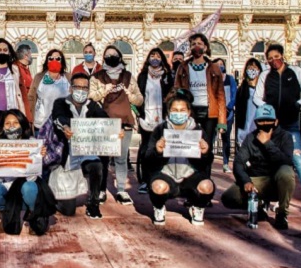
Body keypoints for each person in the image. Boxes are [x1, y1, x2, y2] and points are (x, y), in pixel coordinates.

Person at [253, 43, 301, 214]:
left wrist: (296, 105)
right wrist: (268, 112)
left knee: (298, 160)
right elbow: (257, 98)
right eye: (270, 58)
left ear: (282, 55)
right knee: (269, 160)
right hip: (271, 125)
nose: (274, 61)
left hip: (290, 124)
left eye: (276, 57)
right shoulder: (265, 75)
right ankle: (266, 199)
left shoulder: (296, 71)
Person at [143, 91, 214, 226]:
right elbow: (147, 159)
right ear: (169, 112)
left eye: (182, 110)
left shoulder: (198, 130)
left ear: (188, 112)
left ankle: (198, 206)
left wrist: (205, 153)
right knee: (158, 186)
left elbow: (207, 162)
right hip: (166, 175)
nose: (178, 113)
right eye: (175, 110)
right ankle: (159, 207)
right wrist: (158, 151)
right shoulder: (159, 130)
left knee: (207, 186)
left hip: (190, 175)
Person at [222, 104, 295, 230]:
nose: (265, 123)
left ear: (276, 122)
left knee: (287, 173)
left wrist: (267, 143)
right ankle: (259, 206)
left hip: (277, 181)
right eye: (261, 121)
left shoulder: (285, 137)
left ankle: (282, 214)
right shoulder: (250, 138)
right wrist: (246, 181)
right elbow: (238, 163)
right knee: (228, 198)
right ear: (256, 122)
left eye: (268, 120)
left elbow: (286, 161)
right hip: (258, 179)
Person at [0, 109, 55, 235]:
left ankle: (34, 215)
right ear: (3, 127)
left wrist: (38, 158)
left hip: (27, 189)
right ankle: (6, 214)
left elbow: (33, 179)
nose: (11, 126)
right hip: (8, 190)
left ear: (22, 124)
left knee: (29, 187)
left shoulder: (33, 143)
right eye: (7, 123)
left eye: (15, 123)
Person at [89, 45, 143, 205]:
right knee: (103, 158)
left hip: (125, 122)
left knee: (121, 158)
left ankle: (121, 190)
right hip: (104, 123)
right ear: (103, 58)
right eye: (108, 55)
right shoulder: (97, 77)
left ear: (120, 57)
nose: (111, 56)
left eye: (114, 54)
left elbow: (140, 99)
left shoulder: (128, 76)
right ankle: (101, 189)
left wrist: (130, 95)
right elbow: (91, 96)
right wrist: (104, 91)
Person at [49, 73, 108, 218]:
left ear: (88, 90)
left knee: (97, 166)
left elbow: (106, 120)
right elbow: (58, 117)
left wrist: (115, 131)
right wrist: (65, 127)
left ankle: (93, 204)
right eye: (77, 87)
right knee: (69, 211)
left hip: (86, 152)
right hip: (67, 155)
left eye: (84, 88)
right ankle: (55, 199)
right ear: (70, 88)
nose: (80, 91)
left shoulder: (93, 105)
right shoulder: (60, 103)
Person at [172, 34, 226, 177]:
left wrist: (222, 122)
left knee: (206, 149)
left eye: (200, 44)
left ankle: (205, 182)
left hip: (210, 112)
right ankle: (191, 185)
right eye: (193, 43)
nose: (197, 46)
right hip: (191, 112)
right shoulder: (183, 67)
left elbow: (220, 95)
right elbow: (176, 89)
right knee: (190, 148)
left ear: (206, 47)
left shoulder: (213, 67)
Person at [136, 47, 174, 193]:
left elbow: (171, 93)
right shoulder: (143, 76)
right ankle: (145, 180)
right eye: (152, 55)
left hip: (163, 117)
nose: (155, 58)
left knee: (162, 149)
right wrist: (139, 114)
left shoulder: (167, 75)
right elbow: (139, 96)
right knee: (146, 150)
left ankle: (160, 177)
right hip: (147, 117)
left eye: (158, 56)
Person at [28, 49, 71, 130]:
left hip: (64, 125)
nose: (54, 60)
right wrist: (29, 119)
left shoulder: (68, 77)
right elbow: (31, 98)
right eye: (51, 58)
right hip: (42, 124)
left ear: (62, 61)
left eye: (57, 59)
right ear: (47, 61)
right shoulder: (39, 77)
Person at [213, 58, 237, 173]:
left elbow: (234, 94)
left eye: (221, 64)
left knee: (226, 139)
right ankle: (208, 161)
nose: (219, 66)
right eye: (217, 64)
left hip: (227, 113)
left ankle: (226, 163)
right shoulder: (211, 78)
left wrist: (228, 107)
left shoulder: (230, 78)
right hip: (214, 113)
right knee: (211, 138)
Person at [234, 58, 263, 148]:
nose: (252, 70)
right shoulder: (242, 89)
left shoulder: (262, 89)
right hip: (245, 126)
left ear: (259, 70)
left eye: (255, 67)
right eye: (250, 67)